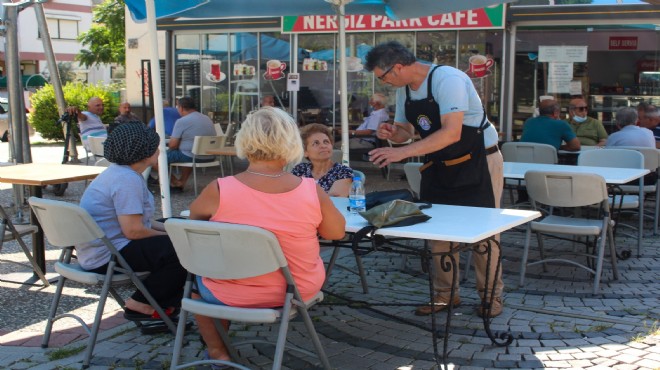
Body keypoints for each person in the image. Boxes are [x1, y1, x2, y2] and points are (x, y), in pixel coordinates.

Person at [188, 107, 345, 364]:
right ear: (292, 142)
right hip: (294, 290)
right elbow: (336, 233)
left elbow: (195, 230)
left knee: (197, 279)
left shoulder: (219, 189)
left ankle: (218, 352)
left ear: (244, 140)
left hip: (229, 290)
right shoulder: (310, 190)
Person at [364, 41, 505, 318]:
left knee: (484, 234)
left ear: (398, 67)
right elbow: (407, 131)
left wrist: (401, 153)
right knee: (437, 233)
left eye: (383, 76)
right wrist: (392, 133)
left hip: (479, 162)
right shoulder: (405, 90)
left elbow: (451, 132)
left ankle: (491, 297)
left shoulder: (448, 79)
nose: (385, 82)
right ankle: (445, 295)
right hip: (439, 164)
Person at [78, 122, 186, 321]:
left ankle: (160, 298)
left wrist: (175, 228)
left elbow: (141, 222)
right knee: (185, 250)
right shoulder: (127, 180)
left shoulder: (117, 172)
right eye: (156, 147)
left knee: (177, 226)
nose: (160, 151)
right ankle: (142, 302)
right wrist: (178, 238)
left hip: (100, 248)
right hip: (107, 256)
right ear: (145, 153)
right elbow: (134, 231)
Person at [150, 97, 216, 191]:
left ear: (180, 108)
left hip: (192, 156)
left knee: (154, 158)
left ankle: (175, 181)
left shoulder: (182, 121)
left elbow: (173, 145)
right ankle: (182, 182)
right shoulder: (206, 118)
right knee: (185, 150)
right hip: (210, 156)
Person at [292, 123, 353, 197]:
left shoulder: (343, 172)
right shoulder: (299, 170)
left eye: (326, 142)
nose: (323, 146)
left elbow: (334, 201)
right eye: (316, 143)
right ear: (305, 152)